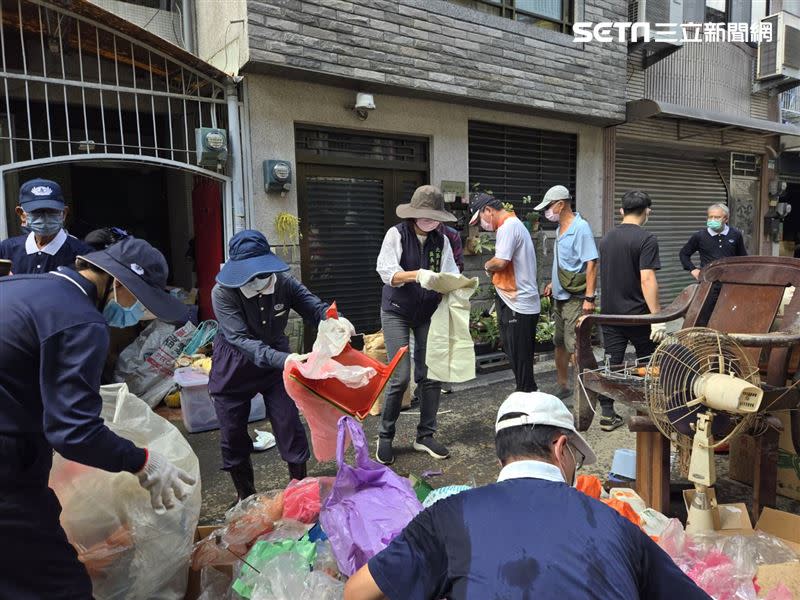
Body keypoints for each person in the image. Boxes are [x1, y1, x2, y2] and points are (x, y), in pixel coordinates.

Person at [343, 391, 709, 600]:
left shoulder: (448, 517)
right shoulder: (616, 526)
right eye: (577, 460)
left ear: (502, 456)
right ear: (560, 448)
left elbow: (356, 593)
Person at [0, 236, 195, 599]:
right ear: (117, 282)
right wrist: (143, 461)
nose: (138, 311)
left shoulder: (25, 287)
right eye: (138, 298)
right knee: (59, 586)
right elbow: (73, 431)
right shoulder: (79, 320)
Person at [209, 229, 329, 502]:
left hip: (275, 367)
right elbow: (238, 338)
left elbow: (314, 307)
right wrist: (285, 358)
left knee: (289, 423)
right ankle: (246, 496)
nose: (257, 279)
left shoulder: (285, 283)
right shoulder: (223, 293)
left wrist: (334, 320)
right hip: (234, 366)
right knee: (232, 434)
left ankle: (298, 492)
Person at [375, 185, 459, 465]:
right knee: (400, 377)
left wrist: (455, 286)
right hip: (396, 311)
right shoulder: (396, 234)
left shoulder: (442, 240)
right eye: (423, 215)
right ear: (413, 215)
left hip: (427, 311)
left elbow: (450, 273)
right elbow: (387, 272)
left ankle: (425, 435)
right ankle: (385, 437)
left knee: (431, 375)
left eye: (433, 216)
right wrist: (417, 275)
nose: (428, 221)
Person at [598, 190, 663, 431]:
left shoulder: (606, 239)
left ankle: (607, 414)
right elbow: (647, 279)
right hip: (638, 316)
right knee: (648, 359)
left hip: (610, 314)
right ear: (648, 211)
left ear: (621, 211)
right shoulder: (647, 239)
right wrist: (657, 317)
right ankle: (647, 407)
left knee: (611, 362)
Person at [470, 193, 540, 393]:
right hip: (514, 300)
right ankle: (525, 393)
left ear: (488, 210)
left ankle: (527, 399)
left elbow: (500, 261)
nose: (482, 225)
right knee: (517, 355)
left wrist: (487, 264)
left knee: (521, 358)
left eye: (480, 219)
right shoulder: (512, 225)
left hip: (518, 302)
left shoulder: (508, 227)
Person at [535, 185, 598, 400]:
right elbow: (564, 262)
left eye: (549, 206)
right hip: (560, 296)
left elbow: (591, 263)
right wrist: (553, 284)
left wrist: (590, 297)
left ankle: (583, 393)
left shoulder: (581, 228)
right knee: (559, 343)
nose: (547, 212)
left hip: (575, 298)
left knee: (575, 347)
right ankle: (563, 386)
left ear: (561, 204)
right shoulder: (560, 229)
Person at [0, 178, 93, 274]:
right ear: (22, 215)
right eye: (37, 212)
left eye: (51, 211)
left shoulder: (84, 255)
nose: (45, 218)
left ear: (64, 214)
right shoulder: (6, 250)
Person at [679, 203, 747, 279]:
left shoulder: (735, 234)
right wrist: (693, 269)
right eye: (710, 217)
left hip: (730, 280)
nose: (713, 220)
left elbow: (743, 258)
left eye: (717, 217)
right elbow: (684, 254)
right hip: (708, 281)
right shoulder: (700, 236)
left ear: (726, 219)